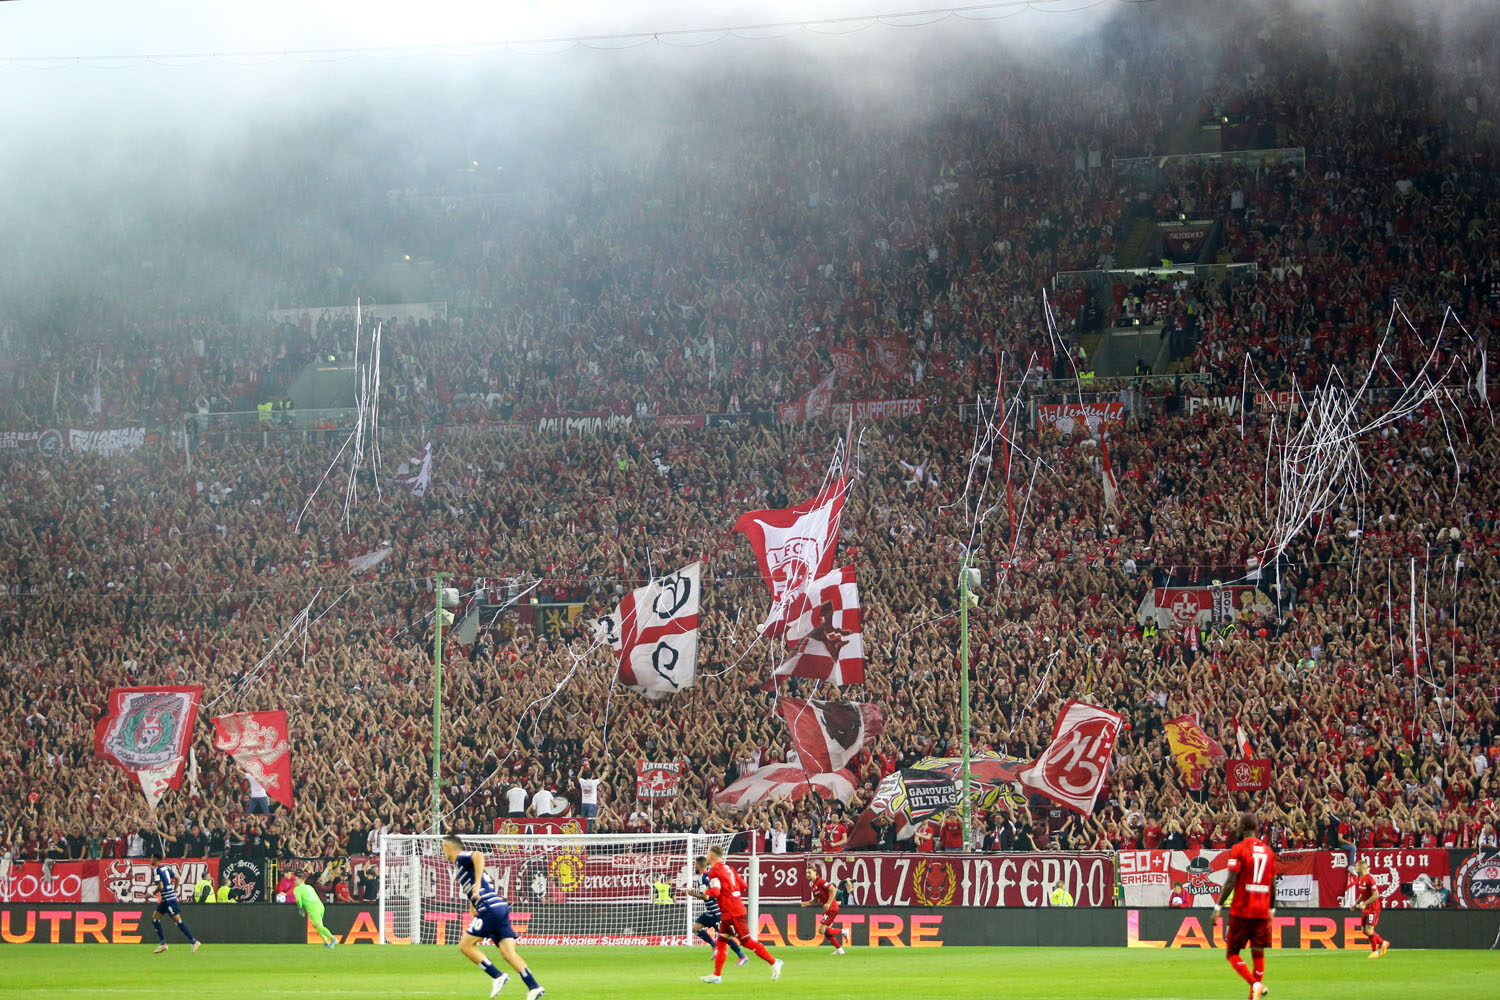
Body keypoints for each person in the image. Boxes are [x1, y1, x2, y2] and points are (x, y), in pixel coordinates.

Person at [442, 834, 545, 1000]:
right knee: (508, 953)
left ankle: (497, 975)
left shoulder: (461, 857)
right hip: (499, 907)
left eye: (443, 847)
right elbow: (483, 885)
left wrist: (475, 885)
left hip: (489, 909)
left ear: (451, 847)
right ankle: (534, 986)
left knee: (466, 946)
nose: (443, 851)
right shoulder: (462, 868)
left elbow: (478, 855)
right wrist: (472, 903)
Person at [700, 845, 781, 985]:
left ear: (712, 856)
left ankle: (774, 962)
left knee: (746, 941)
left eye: (707, 854)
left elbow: (716, 892)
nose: (706, 857)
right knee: (721, 942)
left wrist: (706, 891)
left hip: (732, 912)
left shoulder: (714, 871)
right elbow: (743, 885)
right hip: (729, 911)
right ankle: (716, 975)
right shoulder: (729, 869)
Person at [1215, 813, 1275, 1000]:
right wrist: (1272, 910)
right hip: (1262, 910)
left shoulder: (1238, 849)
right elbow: (1273, 885)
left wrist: (1218, 907)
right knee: (1258, 952)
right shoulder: (1268, 851)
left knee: (1232, 953)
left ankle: (1255, 984)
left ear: (1241, 828)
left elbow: (1231, 880)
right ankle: (1253, 996)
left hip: (1242, 909)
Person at [687, 855, 746, 965]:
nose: (694, 866)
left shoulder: (702, 878)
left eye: (695, 864)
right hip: (710, 912)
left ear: (699, 865)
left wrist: (692, 894)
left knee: (725, 937)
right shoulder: (710, 875)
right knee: (695, 928)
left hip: (715, 913)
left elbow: (706, 897)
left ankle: (741, 955)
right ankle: (714, 945)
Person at [149, 854, 201, 954]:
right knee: (155, 919)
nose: (150, 859)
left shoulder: (156, 870)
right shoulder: (165, 867)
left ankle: (194, 941)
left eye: (151, 858)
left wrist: (152, 893)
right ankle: (163, 944)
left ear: (156, 859)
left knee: (178, 921)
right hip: (166, 899)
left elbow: (160, 886)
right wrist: (175, 889)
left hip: (168, 900)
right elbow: (177, 877)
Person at [801, 864, 845, 954]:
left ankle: (843, 931)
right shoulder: (813, 886)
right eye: (806, 873)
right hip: (828, 909)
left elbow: (833, 890)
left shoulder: (820, 881)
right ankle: (839, 949)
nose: (807, 874)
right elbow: (816, 900)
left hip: (832, 907)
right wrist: (807, 903)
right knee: (826, 931)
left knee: (822, 930)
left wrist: (828, 903)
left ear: (815, 873)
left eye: (809, 872)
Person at [1350, 859, 1389, 958]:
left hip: (1373, 908)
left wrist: (1365, 903)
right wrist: (1356, 904)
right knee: (1364, 930)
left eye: (1357, 866)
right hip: (1366, 907)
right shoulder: (1360, 878)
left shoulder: (1369, 879)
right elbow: (1363, 894)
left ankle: (1375, 952)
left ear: (1363, 867)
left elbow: (1376, 895)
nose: (1355, 867)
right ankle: (1383, 943)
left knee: (1369, 930)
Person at [293, 872, 336, 948]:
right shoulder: (309, 887)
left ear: (301, 880)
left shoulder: (297, 889)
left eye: (296, 880)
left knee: (318, 926)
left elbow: (298, 900)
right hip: (320, 906)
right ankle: (326, 943)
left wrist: (300, 908)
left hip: (313, 908)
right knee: (319, 926)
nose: (294, 881)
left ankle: (333, 939)